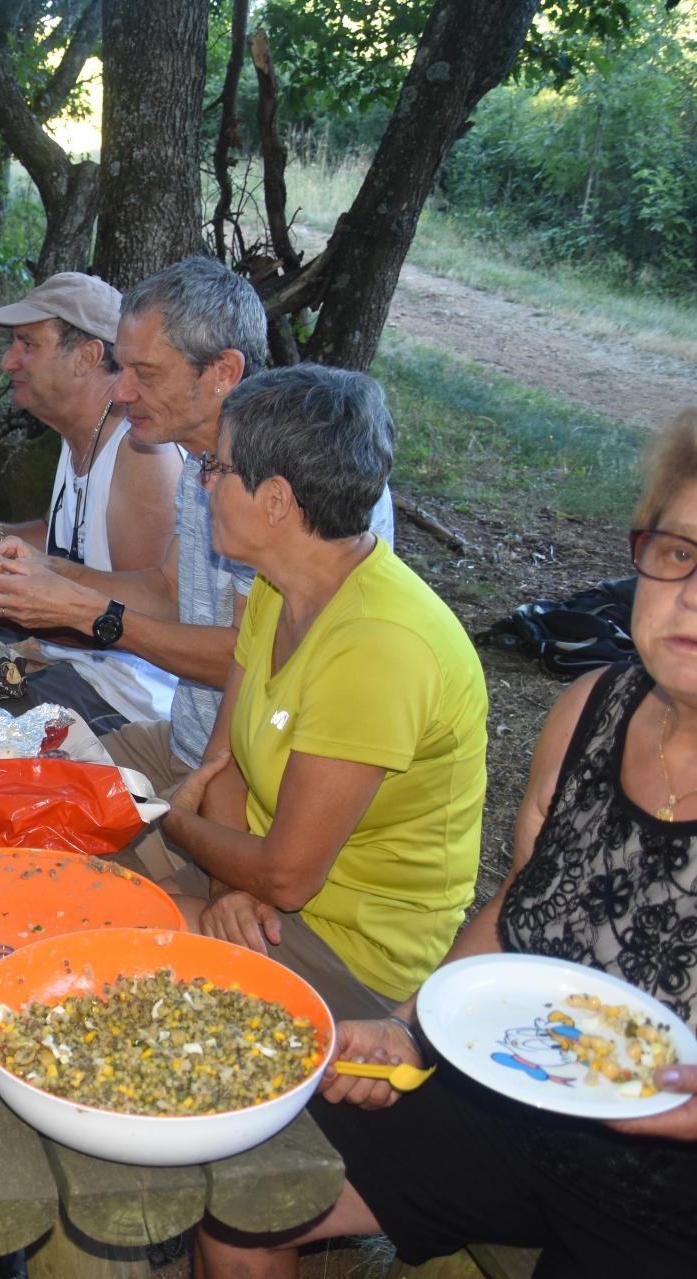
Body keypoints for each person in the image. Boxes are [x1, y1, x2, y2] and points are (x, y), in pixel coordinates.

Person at [197, 411, 697, 1278]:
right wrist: (415, 1029)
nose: (692, 593)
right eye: (680, 551)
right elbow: (521, 907)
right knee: (247, 1199)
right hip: (515, 1105)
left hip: (673, 1199)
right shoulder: (591, 711)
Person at [0, 257, 393, 874]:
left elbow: (248, 661)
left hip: (246, 787)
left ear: (223, 372)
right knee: (2, 803)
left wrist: (93, 615)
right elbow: (169, 590)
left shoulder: (282, 486)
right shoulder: (202, 457)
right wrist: (47, 572)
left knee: (58, 880)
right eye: (122, 366)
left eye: (144, 372)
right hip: (184, 740)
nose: (120, 391)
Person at [155, 366, 487, 1016]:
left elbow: (288, 875)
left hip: (355, 955)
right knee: (85, 887)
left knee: (95, 929)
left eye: (218, 469)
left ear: (276, 500)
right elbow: (224, 768)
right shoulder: (278, 590)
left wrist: (172, 820)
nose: (204, 483)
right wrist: (228, 888)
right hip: (260, 895)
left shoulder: (379, 645)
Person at [0, 272, 182, 732]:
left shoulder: (140, 452)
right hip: (65, 663)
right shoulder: (80, 436)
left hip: (126, 699)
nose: (9, 362)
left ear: (87, 357)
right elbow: (72, 539)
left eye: (28, 345)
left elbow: (144, 623)